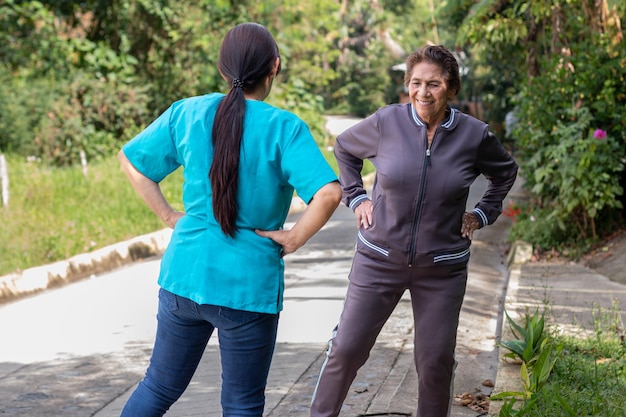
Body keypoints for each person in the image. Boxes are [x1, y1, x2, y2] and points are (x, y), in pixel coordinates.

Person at [117, 22, 342, 417]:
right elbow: (329, 192)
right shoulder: (284, 127)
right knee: (241, 404)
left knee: (158, 386)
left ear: (223, 68)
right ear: (274, 67)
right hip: (247, 285)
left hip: (183, 277)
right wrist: (292, 239)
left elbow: (132, 161)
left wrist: (170, 216)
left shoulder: (186, 112)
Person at [310, 45, 518, 417]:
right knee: (346, 348)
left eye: (434, 84)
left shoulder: (474, 135)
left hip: (442, 267)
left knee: (436, 362)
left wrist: (481, 214)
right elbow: (344, 149)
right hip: (378, 260)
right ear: (408, 86)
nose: (423, 93)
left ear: (450, 89)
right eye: (416, 83)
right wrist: (357, 198)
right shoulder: (386, 122)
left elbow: (505, 173)